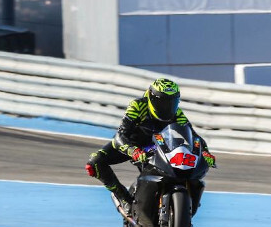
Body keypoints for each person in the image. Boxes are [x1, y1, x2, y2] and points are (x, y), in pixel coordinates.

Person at [86, 78, 216, 215]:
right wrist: (133, 150)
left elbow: (193, 136)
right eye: (163, 102)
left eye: (172, 102)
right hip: (131, 145)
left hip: (157, 147)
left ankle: (179, 204)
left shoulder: (177, 114)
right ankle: (123, 198)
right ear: (152, 98)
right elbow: (120, 135)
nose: (167, 107)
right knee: (95, 162)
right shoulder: (138, 106)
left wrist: (205, 152)